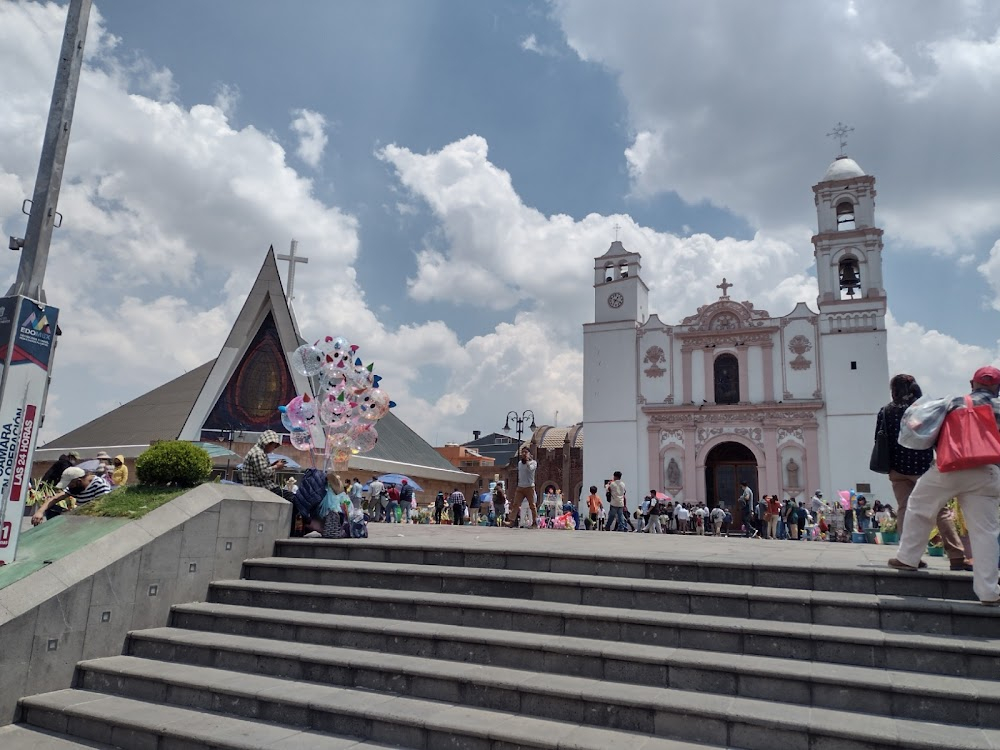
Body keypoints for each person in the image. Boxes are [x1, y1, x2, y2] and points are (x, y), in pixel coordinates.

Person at [889, 366, 1000, 605]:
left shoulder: (953, 402)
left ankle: (908, 557)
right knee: (986, 533)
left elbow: (920, 425)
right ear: (997, 386)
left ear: (972, 383)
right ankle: (989, 592)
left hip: (949, 467)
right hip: (986, 472)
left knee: (919, 506)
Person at [877, 373, 971, 570]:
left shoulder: (886, 411)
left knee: (904, 509)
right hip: (922, 467)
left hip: (897, 469)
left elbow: (879, 438)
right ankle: (956, 555)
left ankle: (908, 556)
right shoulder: (925, 408)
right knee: (940, 510)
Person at [31, 467, 112, 525]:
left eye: (70, 485)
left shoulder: (100, 485)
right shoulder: (75, 487)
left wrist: (74, 513)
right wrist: (39, 512)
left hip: (94, 518)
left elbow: (102, 507)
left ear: (79, 481)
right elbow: (55, 498)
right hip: (80, 515)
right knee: (51, 509)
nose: (69, 487)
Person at [240, 431, 293, 501]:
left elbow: (259, 470)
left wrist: (273, 465)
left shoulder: (260, 452)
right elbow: (263, 473)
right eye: (274, 446)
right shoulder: (257, 453)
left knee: (291, 496)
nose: (273, 448)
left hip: (262, 488)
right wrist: (276, 466)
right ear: (268, 443)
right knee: (292, 497)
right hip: (260, 488)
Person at [506, 447, 538, 529]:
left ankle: (535, 522)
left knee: (532, 505)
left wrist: (527, 460)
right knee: (516, 504)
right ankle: (512, 521)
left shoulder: (533, 463)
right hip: (520, 487)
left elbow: (530, 470)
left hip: (529, 487)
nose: (523, 454)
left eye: (525, 452)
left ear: (529, 454)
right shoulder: (520, 463)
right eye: (522, 452)